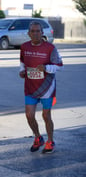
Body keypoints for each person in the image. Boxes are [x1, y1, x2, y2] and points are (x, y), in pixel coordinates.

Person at [19, 21, 63, 154]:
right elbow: (22, 61)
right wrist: (21, 71)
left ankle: (50, 141)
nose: (36, 34)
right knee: (29, 115)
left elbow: (60, 66)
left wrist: (46, 68)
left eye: (38, 31)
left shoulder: (50, 48)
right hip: (30, 86)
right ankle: (38, 137)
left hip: (47, 87)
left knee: (46, 115)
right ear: (29, 33)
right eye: (33, 31)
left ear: (42, 33)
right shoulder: (24, 47)